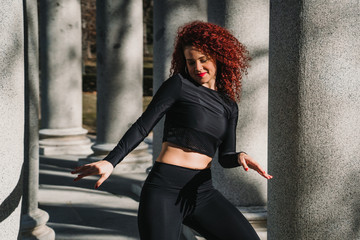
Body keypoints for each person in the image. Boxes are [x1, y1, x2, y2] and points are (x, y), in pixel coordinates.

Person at [71, 21, 272, 240]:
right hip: (163, 190)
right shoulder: (179, 85)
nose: (197, 68)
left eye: (203, 60)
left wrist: (240, 156)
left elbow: (224, 157)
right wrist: (111, 161)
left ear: (218, 57)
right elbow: (142, 125)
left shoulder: (229, 106)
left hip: (201, 191)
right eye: (191, 62)